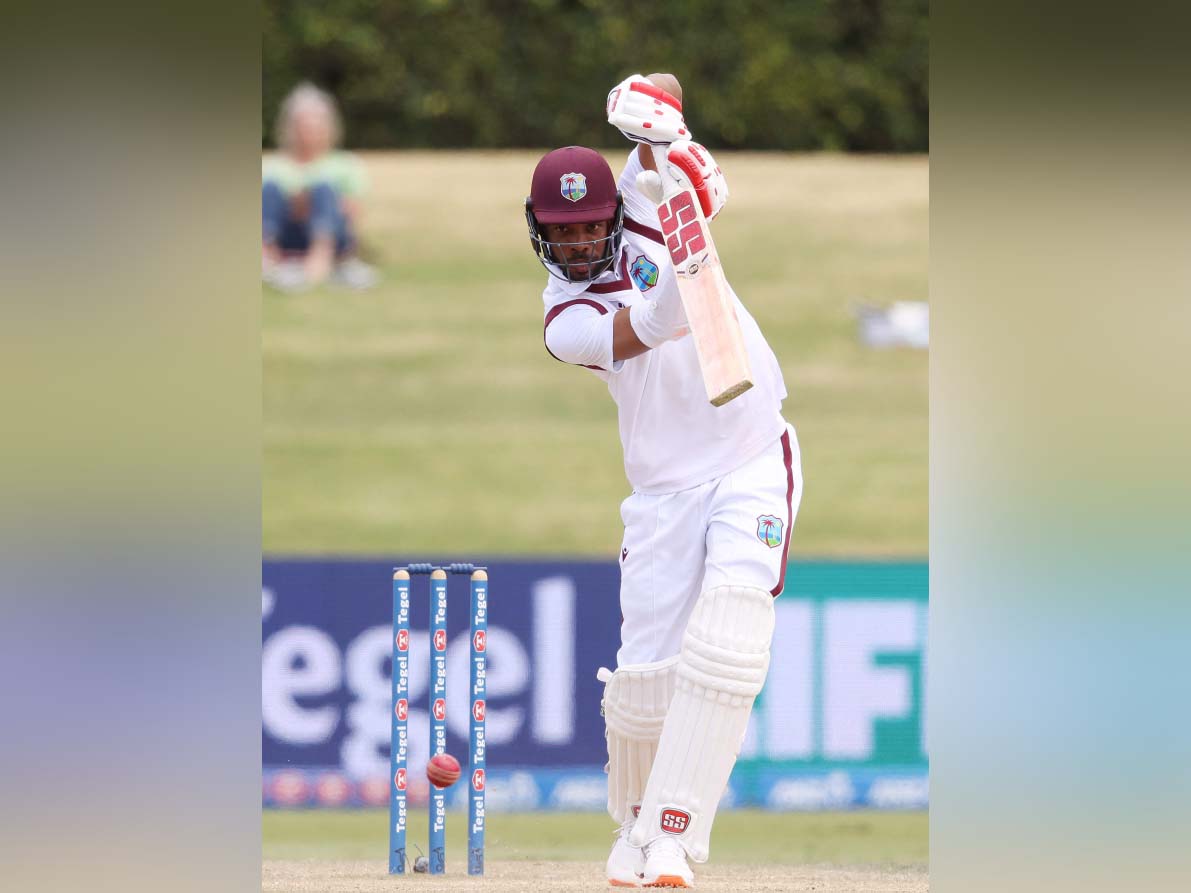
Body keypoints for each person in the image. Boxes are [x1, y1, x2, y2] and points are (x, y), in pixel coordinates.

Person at [525, 73, 804, 888]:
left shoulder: (646, 201)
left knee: (727, 639)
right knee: (644, 681)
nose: (578, 246)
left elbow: (695, 164)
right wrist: (684, 275)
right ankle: (634, 829)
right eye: (561, 234)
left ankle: (674, 837)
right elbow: (647, 327)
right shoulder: (562, 318)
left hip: (750, 449)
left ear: (611, 213)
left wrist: (663, 133)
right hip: (660, 492)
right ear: (539, 235)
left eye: (588, 229)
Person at [262, 82, 377, 292]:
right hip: (288, 233)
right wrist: (295, 206)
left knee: (323, 189)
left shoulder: (346, 165)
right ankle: (267, 256)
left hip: (332, 236)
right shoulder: (272, 166)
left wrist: (313, 204)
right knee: (270, 188)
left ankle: (319, 260)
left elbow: (352, 213)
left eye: (316, 124)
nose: (310, 130)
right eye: (304, 124)